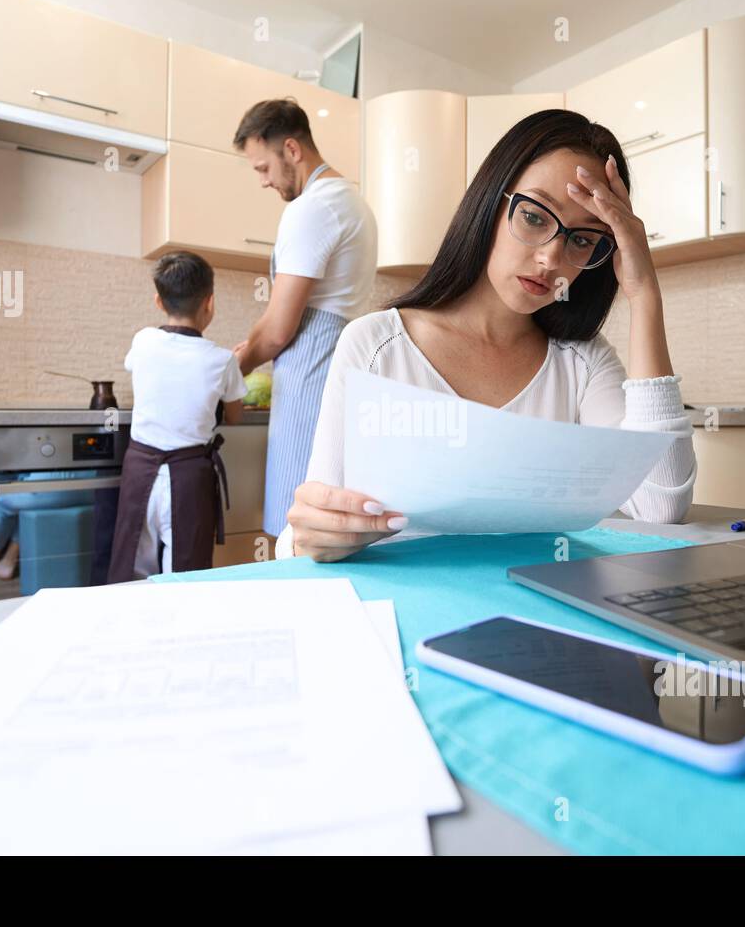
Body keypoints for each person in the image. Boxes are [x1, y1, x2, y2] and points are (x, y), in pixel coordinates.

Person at [276, 109, 697, 562]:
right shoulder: (376, 345)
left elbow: (659, 505)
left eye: (581, 240)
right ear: (490, 204)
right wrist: (305, 539)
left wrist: (644, 294)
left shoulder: (583, 362)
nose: (550, 259)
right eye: (535, 217)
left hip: (536, 616)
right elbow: (307, 535)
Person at [230, 98, 378, 549]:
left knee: (297, 522)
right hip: (340, 367)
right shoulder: (352, 200)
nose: (262, 181)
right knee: (328, 521)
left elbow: (278, 328)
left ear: (291, 149)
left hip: (312, 371)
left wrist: (230, 368)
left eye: (262, 168)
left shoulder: (312, 207)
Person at [107, 252, 246, 581]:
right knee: (186, 574)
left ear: (158, 300)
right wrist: (236, 365)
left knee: (131, 567)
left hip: (140, 471)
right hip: (188, 478)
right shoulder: (222, 360)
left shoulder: (142, 341)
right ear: (209, 303)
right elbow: (235, 415)